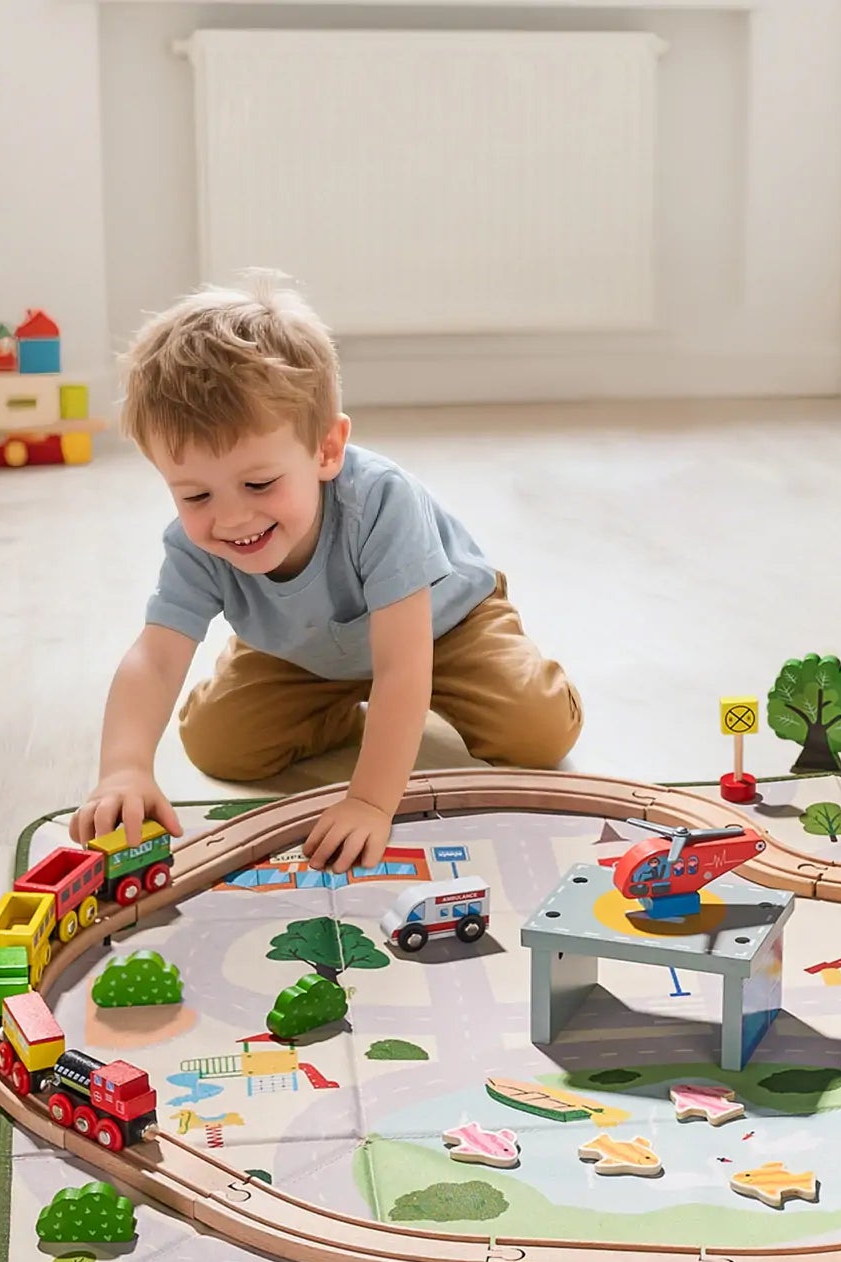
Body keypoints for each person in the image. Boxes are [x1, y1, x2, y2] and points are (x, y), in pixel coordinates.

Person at [71, 278, 582, 872]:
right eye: (194, 494)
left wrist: (368, 800)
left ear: (326, 449)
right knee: (220, 745)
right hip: (302, 650)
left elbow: (401, 665)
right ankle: (344, 706)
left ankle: (446, 692)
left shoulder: (381, 503)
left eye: (259, 484)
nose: (232, 517)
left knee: (538, 733)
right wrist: (124, 768)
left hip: (441, 630)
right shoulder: (195, 544)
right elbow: (155, 659)